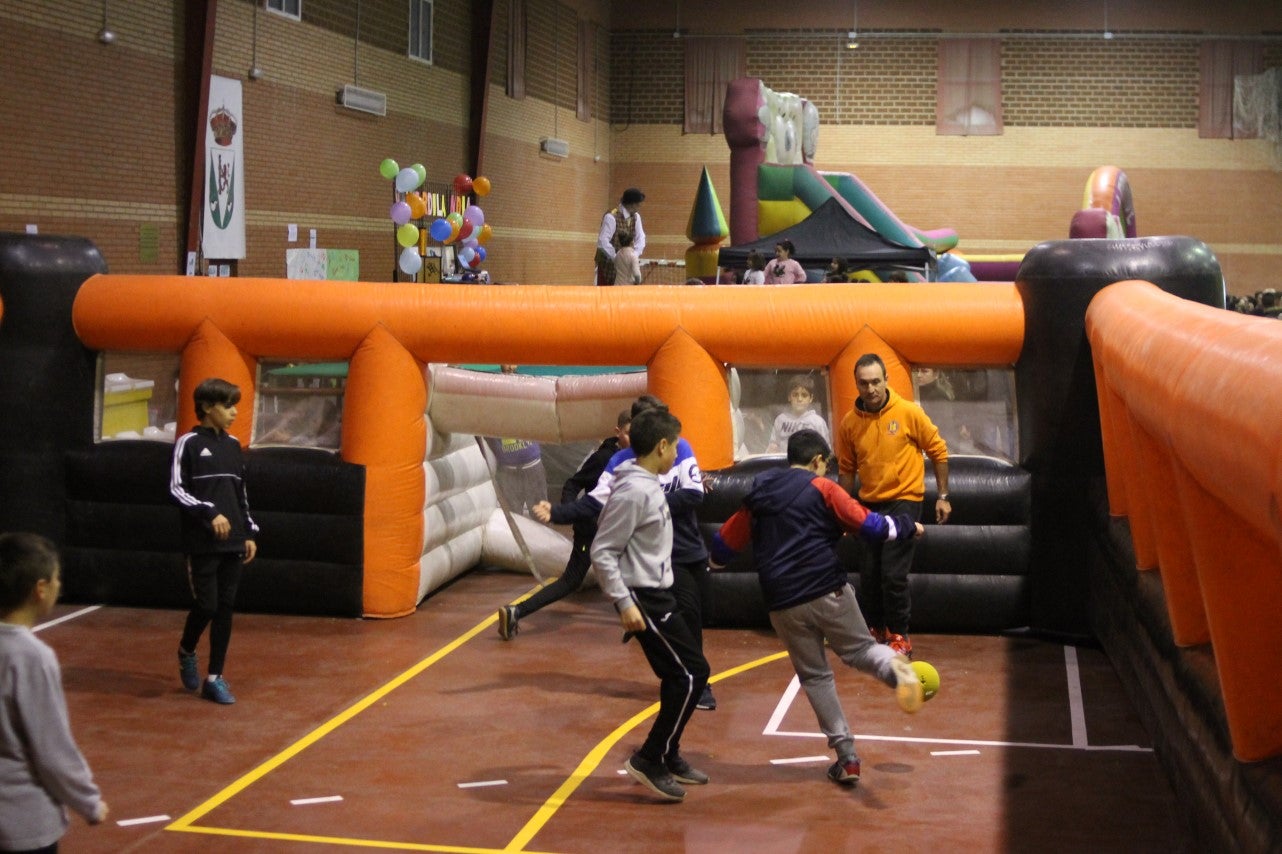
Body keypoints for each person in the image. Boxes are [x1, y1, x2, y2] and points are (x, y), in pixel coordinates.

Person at [709, 430, 925, 785]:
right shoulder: (823, 488)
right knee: (862, 651)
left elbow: (724, 545)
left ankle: (847, 757)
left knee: (815, 676)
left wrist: (713, 565)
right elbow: (870, 526)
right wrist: (907, 526)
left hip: (782, 601)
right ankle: (895, 671)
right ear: (817, 461)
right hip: (827, 588)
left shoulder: (759, 493)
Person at [590, 408, 710, 803]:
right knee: (690, 675)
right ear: (661, 446)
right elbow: (603, 551)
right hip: (644, 598)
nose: (678, 453)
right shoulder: (634, 491)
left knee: (686, 674)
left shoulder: (650, 484)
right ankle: (649, 758)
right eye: (675, 445)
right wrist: (624, 603)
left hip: (660, 592)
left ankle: (667, 752)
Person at [0, 533, 109, 851]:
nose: (60, 585)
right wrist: (88, 801)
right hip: (23, 825)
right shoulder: (31, 657)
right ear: (40, 589)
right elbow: (51, 750)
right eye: (57, 578)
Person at [836, 354, 950, 658]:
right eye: (864, 383)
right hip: (870, 504)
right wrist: (842, 512)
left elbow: (938, 451)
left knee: (892, 575)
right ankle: (874, 629)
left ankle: (900, 635)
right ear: (856, 384)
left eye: (876, 381)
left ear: (886, 380)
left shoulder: (909, 412)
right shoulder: (849, 424)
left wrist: (943, 496)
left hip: (905, 501)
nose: (870, 388)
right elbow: (846, 470)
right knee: (870, 573)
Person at [497, 410, 631, 639]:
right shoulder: (603, 459)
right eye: (629, 433)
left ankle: (636, 623)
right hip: (591, 530)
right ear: (618, 432)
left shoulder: (636, 457)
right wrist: (574, 514)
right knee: (571, 581)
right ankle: (516, 611)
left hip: (615, 529)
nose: (634, 438)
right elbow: (572, 484)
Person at [170, 377, 259, 705]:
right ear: (207, 408)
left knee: (225, 608)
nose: (234, 412)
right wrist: (209, 513)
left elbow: (241, 494)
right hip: (202, 543)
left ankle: (215, 677)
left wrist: (248, 532)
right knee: (206, 605)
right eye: (227, 406)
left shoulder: (234, 446)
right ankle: (186, 649)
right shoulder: (188, 443)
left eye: (235, 405)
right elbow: (177, 489)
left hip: (234, 542)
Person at [767, 374, 831, 453]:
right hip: (784, 463)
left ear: (811, 398)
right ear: (789, 397)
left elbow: (826, 450)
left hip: (808, 464)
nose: (799, 399)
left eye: (804, 395)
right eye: (795, 395)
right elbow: (773, 445)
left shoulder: (818, 422)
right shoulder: (781, 420)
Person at [595, 187, 646, 286]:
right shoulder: (611, 217)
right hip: (607, 267)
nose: (640, 207)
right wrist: (617, 258)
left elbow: (641, 238)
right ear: (632, 204)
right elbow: (603, 242)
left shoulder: (636, 217)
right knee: (606, 298)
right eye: (638, 204)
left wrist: (633, 256)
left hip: (626, 271)